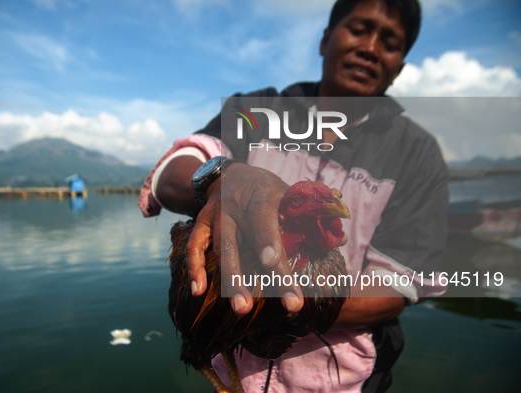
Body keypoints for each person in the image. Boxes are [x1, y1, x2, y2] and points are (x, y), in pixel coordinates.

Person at [139, 0, 449, 391]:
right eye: (358, 29)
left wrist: (275, 302)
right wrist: (222, 175)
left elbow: (398, 286)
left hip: (344, 381)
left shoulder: (416, 153)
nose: (370, 48)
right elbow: (177, 166)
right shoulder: (257, 110)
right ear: (325, 40)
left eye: (389, 41)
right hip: (235, 373)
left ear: (400, 66)